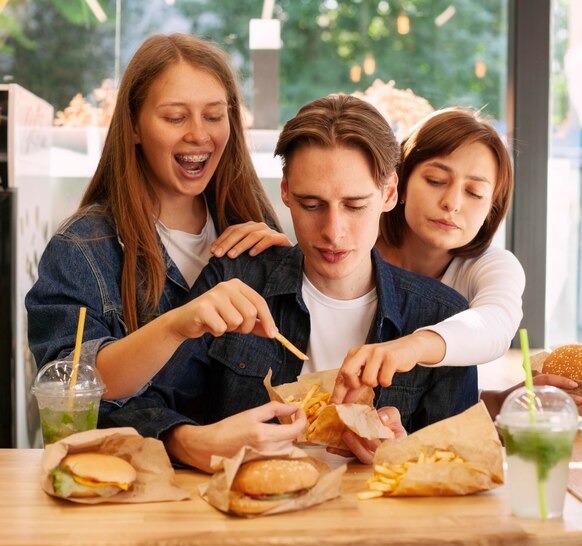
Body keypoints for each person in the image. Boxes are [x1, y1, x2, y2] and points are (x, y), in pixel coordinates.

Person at [101, 94, 477, 471]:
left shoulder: (442, 319)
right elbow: (126, 407)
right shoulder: (235, 281)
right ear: (284, 192)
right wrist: (188, 441)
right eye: (311, 205)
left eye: (355, 205)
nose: (333, 232)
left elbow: (461, 470)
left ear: (389, 193)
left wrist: (404, 455)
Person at [25, 33, 293, 431]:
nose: (199, 135)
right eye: (175, 117)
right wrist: (176, 324)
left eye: (214, 116)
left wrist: (290, 271)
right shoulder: (82, 248)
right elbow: (72, 390)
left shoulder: (256, 234)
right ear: (134, 127)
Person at [331, 107, 526, 402]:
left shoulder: (491, 266)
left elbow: (495, 324)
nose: (452, 203)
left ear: (491, 211)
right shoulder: (349, 248)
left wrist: (413, 347)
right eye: (436, 181)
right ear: (400, 186)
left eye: (474, 192)